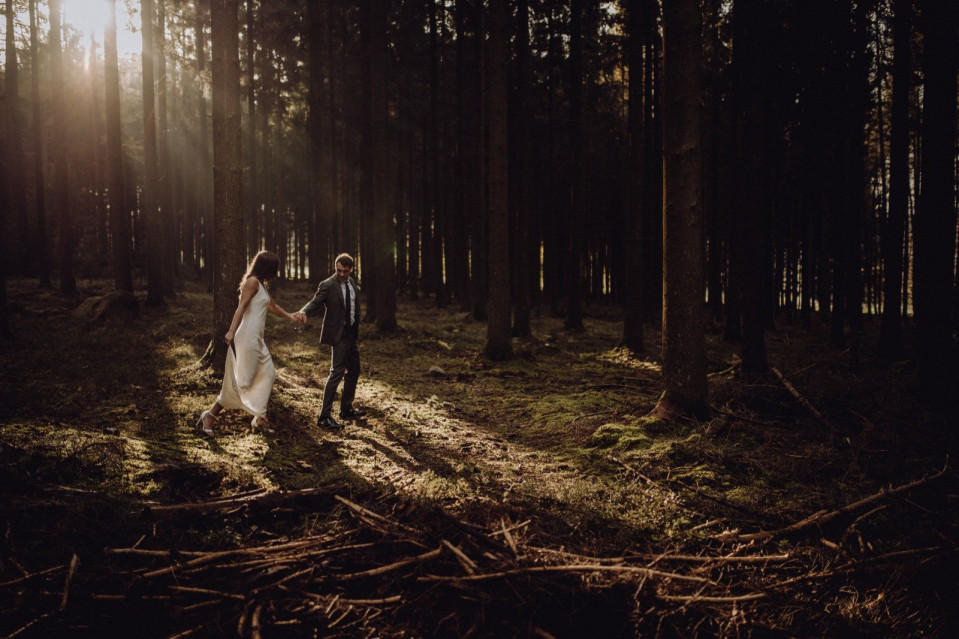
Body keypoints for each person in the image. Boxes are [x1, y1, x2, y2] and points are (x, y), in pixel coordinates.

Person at [197, 251, 298, 437]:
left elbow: (273, 306)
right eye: (274, 268)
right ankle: (209, 416)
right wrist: (231, 331)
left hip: (257, 338)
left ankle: (259, 418)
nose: (276, 272)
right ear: (266, 267)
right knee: (243, 382)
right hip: (247, 336)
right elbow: (241, 307)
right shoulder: (252, 282)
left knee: (268, 373)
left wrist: (291, 316)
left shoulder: (262, 285)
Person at [293, 253, 364, 430]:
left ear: (351, 270)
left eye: (344, 271)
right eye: (338, 270)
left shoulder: (352, 283)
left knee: (354, 370)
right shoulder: (328, 285)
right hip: (338, 336)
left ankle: (346, 408)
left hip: (351, 335)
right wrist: (303, 311)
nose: (341, 274)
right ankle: (324, 416)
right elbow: (315, 302)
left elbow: (354, 308)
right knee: (336, 373)